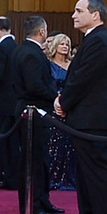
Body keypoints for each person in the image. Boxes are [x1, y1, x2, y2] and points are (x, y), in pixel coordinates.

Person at [53, 0, 107, 214]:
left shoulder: (100, 41)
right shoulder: (95, 40)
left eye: (79, 10)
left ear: (95, 15)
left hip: (93, 119)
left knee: (97, 175)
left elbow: (83, 78)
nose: (73, 15)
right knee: (85, 175)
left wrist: (63, 101)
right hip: (86, 118)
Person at [15, 15, 61, 214]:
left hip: (34, 111)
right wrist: (56, 97)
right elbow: (35, 85)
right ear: (42, 32)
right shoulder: (30, 53)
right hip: (32, 111)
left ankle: (42, 200)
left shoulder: (26, 50)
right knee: (33, 159)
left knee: (40, 157)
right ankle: (33, 204)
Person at [0, 16, 21, 191]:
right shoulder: (17, 47)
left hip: (0, 102)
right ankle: (12, 179)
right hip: (14, 103)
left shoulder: (0, 48)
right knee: (12, 145)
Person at [45, 34, 77, 191]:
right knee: (54, 143)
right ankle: (53, 176)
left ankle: (68, 176)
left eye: (67, 44)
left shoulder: (72, 65)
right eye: (62, 44)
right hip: (54, 106)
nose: (65, 47)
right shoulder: (49, 65)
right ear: (55, 46)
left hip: (69, 107)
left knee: (69, 143)